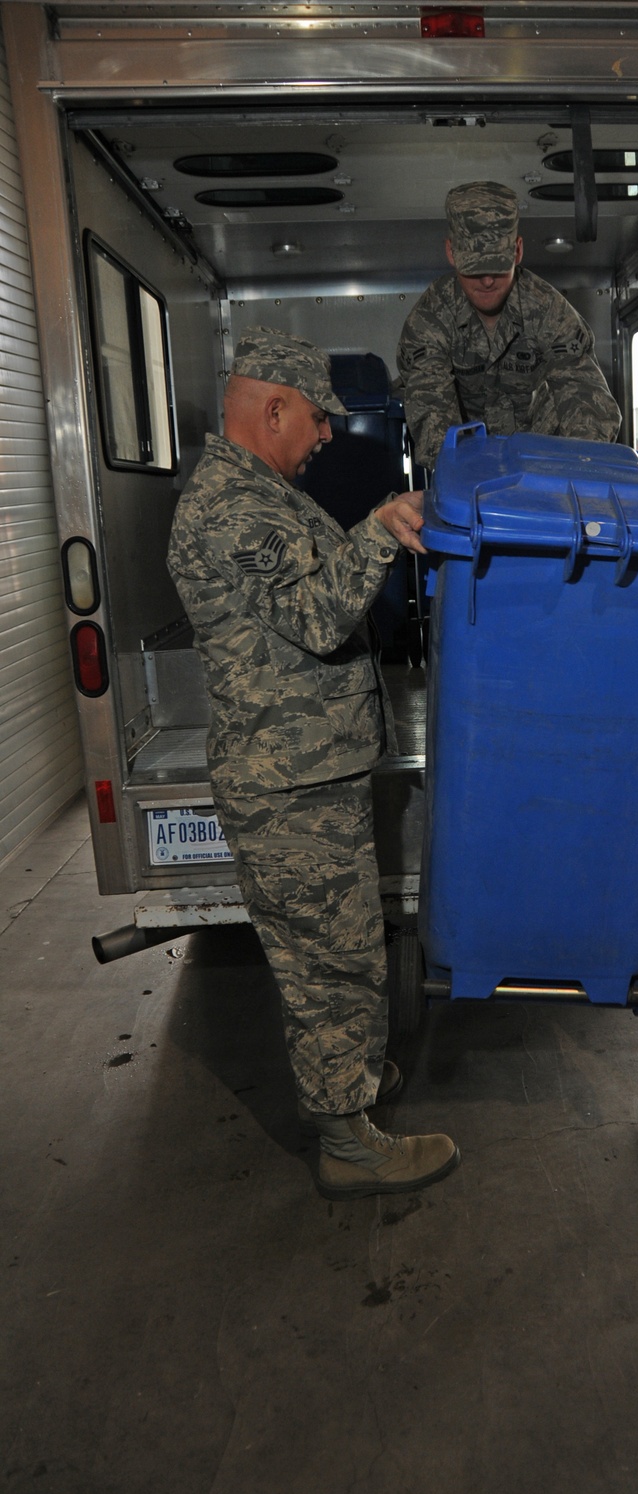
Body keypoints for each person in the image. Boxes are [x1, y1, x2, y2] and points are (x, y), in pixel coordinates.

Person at [167, 326, 460, 1200]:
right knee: (328, 963)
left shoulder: (259, 493)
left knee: (346, 951)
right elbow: (318, 618)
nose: (329, 435)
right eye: (320, 420)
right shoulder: (232, 508)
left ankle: (354, 1084)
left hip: (309, 773)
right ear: (275, 408)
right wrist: (377, 530)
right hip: (285, 787)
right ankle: (347, 1142)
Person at [396, 180, 622, 471]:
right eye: (475, 269)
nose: (487, 280)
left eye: (498, 267)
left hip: (540, 458)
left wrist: (575, 473)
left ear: (517, 252)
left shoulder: (549, 311)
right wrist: (468, 481)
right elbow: (431, 417)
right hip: (466, 459)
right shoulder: (429, 319)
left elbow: (588, 405)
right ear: (451, 253)